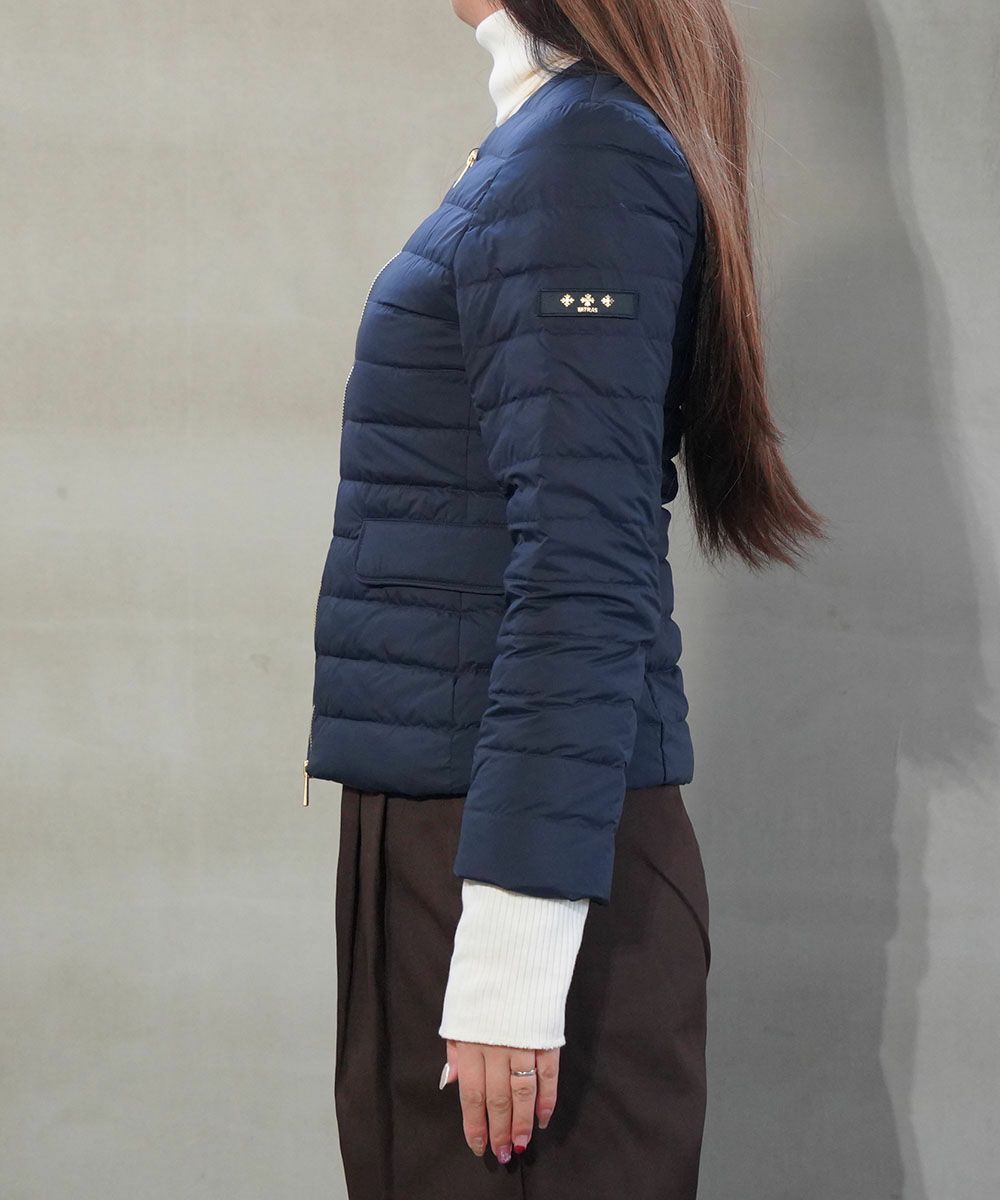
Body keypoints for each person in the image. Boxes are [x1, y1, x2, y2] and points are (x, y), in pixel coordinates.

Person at [303, 2, 826, 1196]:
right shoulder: (551, 142)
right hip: (457, 832)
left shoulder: (583, 157)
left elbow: (585, 565)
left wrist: (515, 948)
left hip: (518, 864)